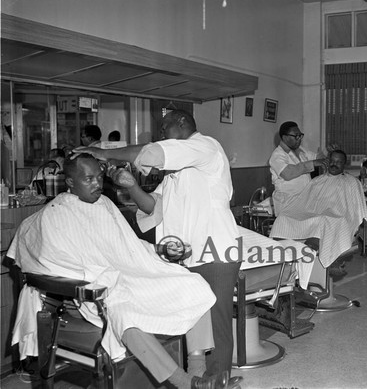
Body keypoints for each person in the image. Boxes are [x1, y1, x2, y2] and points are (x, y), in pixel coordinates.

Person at [7, 153, 233, 389]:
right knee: (125, 309)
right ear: (71, 182)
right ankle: (186, 383)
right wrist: (98, 277)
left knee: (192, 284)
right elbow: (46, 261)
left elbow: (128, 245)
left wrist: (159, 249)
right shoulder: (53, 215)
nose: (97, 184)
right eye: (89, 179)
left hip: (127, 276)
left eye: (99, 177)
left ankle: (198, 371)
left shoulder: (105, 204)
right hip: (86, 296)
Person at [73, 110, 242, 380]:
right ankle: (196, 376)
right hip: (185, 255)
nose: (161, 135)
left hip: (216, 251)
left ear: (182, 123)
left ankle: (218, 378)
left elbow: (154, 153)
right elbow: (153, 206)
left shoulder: (206, 147)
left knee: (217, 321)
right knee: (192, 312)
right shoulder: (175, 173)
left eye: (164, 128)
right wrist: (130, 186)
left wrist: (105, 152)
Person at [270, 149, 367, 269]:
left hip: (337, 217)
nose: (334, 164)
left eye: (338, 162)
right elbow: (303, 202)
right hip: (314, 213)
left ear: (344, 164)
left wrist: (355, 224)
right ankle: (284, 257)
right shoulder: (317, 181)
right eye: (332, 161)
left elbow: (356, 210)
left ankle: (313, 257)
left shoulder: (352, 182)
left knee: (323, 220)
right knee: (283, 218)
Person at [269, 121, 328, 216]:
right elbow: (288, 173)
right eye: (296, 136)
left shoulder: (301, 150)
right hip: (287, 205)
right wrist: (312, 164)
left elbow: (318, 158)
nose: (299, 139)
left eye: (300, 135)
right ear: (284, 137)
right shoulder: (277, 155)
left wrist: (328, 150)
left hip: (303, 202)